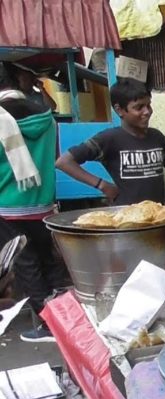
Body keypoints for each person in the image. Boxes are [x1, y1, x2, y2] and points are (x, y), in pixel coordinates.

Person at [0, 64, 68, 342]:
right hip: (43, 202)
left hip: (8, 203)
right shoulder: (46, 115)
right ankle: (64, 318)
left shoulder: (2, 117)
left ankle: (48, 325)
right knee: (49, 262)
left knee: (26, 265)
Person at [56, 79, 165, 205]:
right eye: (139, 107)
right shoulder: (110, 139)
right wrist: (102, 184)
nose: (147, 112)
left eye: (148, 105)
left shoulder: (157, 138)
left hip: (158, 217)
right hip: (126, 219)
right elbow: (64, 162)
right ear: (119, 110)